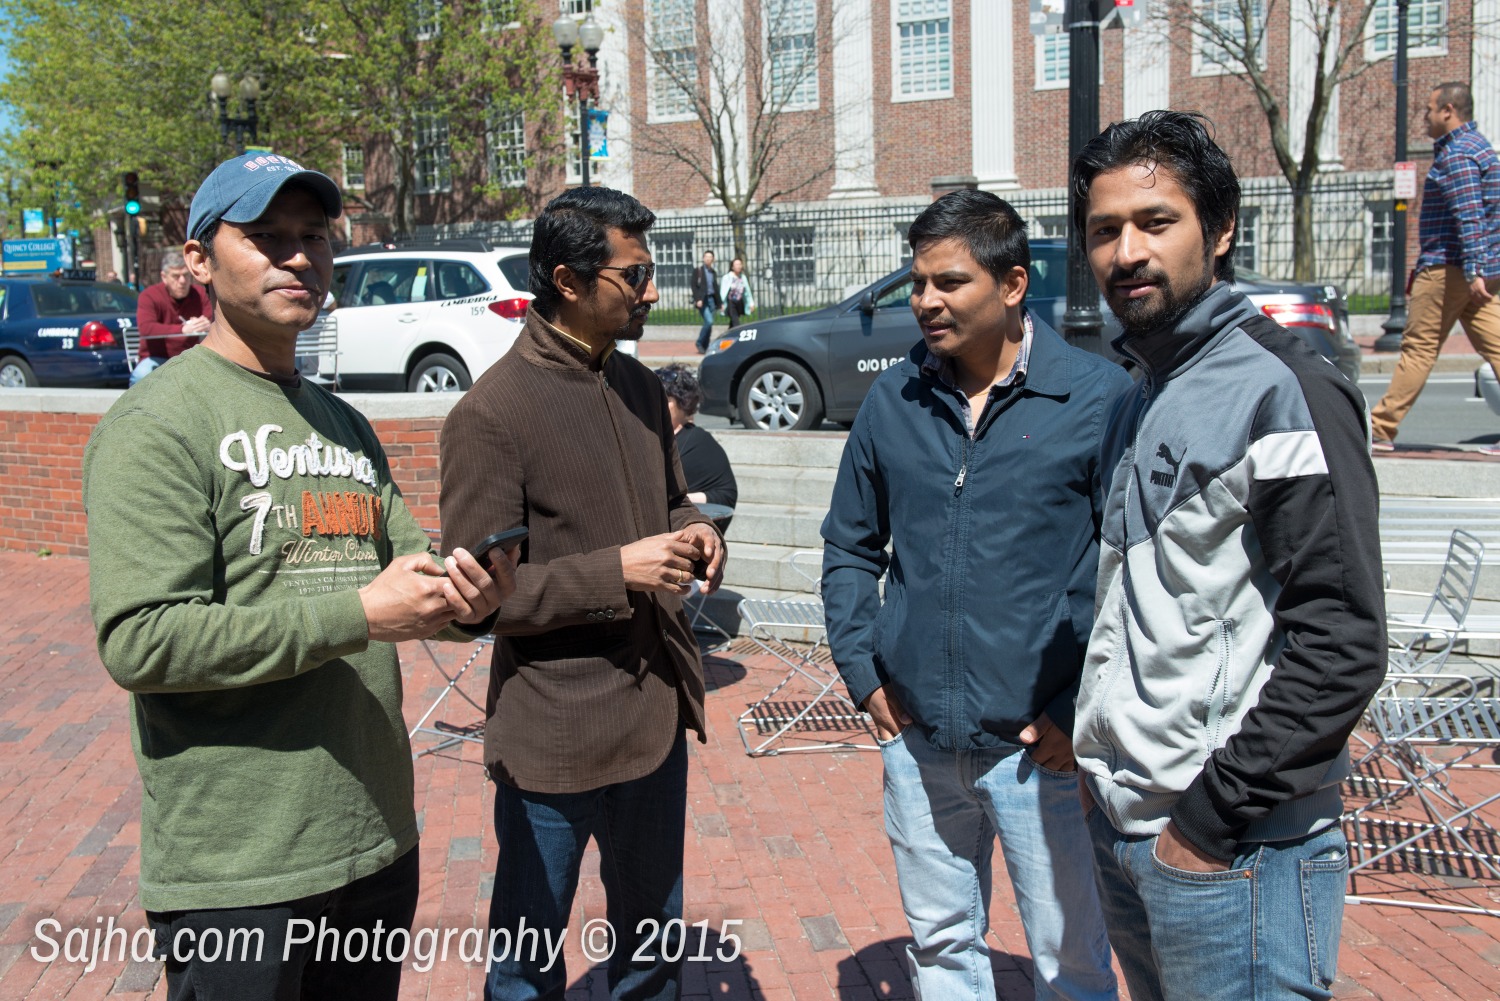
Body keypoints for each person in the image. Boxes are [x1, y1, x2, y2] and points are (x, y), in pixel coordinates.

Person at [82, 151, 516, 1000]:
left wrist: (470, 598)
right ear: (199, 260)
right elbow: (141, 639)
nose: (298, 257)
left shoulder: (345, 423)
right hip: (241, 867)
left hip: (374, 839)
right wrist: (357, 614)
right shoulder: (157, 423)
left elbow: (407, 575)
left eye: (313, 236)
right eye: (267, 236)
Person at [1070, 110, 1385, 1001]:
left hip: (1237, 850)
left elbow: (1343, 640)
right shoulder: (1141, 395)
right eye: (1105, 230)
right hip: (1131, 831)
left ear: (1220, 230)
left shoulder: (1285, 387)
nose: (1127, 251)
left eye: (1155, 221)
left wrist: (1207, 823)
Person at [821, 188, 1128, 1001]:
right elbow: (850, 546)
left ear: (1013, 284)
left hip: (1041, 752)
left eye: (949, 282)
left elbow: (1130, 571)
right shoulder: (894, 398)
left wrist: (1080, 707)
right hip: (919, 740)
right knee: (941, 947)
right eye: (918, 282)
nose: (926, 301)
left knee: (1072, 965)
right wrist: (865, 674)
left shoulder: (1098, 398)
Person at [439, 186, 728, 1001]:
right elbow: (477, 603)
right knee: (527, 968)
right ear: (567, 281)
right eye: (634, 276)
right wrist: (615, 572)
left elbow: (671, 502)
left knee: (652, 952)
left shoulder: (637, 386)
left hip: (653, 721)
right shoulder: (491, 413)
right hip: (554, 738)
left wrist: (697, 531)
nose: (652, 292)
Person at [1370, 82, 1500, 452]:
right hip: (1470, 272)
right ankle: (1379, 428)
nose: (1424, 117)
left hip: (1447, 269)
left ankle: (1379, 428)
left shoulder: (1458, 154)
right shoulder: (1481, 148)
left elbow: (1470, 217)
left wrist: (1474, 271)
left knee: (1419, 349)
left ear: (1448, 110)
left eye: (1429, 109)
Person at [656, 363, 738, 515]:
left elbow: (726, 495)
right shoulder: (652, 437)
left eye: (666, 398)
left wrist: (681, 500)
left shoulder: (700, 442)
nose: (657, 404)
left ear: (683, 403)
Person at [130, 250, 213, 386]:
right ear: (164, 277)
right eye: (176, 276)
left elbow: (212, 319)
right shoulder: (149, 296)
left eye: (186, 275)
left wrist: (207, 324)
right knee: (141, 375)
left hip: (191, 357)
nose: (182, 281)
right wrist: (183, 330)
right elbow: (146, 328)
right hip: (157, 358)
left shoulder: (200, 294)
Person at [691, 250, 720, 353]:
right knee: (709, 321)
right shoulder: (698, 271)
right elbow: (693, 286)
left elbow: (716, 288)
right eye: (706, 257)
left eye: (710, 257)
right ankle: (699, 342)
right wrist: (698, 299)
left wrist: (720, 303)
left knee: (709, 325)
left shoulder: (713, 272)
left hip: (712, 300)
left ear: (713, 259)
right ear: (703, 258)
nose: (708, 259)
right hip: (703, 300)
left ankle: (705, 345)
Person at [719, 257, 754, 328]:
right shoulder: (727, 277)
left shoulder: (743, 277)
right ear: (732, 267)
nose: (739, 266)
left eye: (740, 264)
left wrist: (751, 303)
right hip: (731, 302)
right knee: (736, 322)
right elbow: (722, 292)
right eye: (736, 264)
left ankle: (729, 333)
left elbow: (747, 292)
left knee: (733, 321)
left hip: (739, 302)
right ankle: (737, 333)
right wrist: (721, 303)